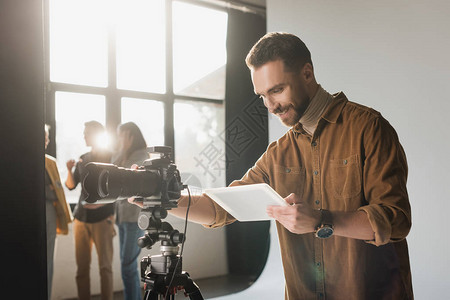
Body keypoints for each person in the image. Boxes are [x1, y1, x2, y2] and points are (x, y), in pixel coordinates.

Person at [134, 32, 413, 299]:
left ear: (307, 73)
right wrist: (160, 196)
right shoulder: (278, 154)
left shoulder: (370, 128)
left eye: (277, 90)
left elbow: (396, 219)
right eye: (262, 96)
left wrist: (320, 219)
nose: (271, 105)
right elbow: (220, 208)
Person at [65, 121, 115, 300]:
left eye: (86, 133)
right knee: (82, 268)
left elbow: (116, 189)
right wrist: (69, 170)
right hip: (80, 218)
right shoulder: (83, 158)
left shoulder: (110, 157)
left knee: (105, 268)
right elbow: (71, 186)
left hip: (103, 219)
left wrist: (102, 206)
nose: (84, 136)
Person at [112, 122, 149, 300]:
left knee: (128, 265)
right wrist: (122, 150)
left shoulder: (142, 156)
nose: (119, 139)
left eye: (122, 135)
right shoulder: (123, 155)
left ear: (131, 136)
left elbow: (125, 179)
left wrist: (124, 152)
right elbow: (110, 173)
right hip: (122, 218)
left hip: (135, 218)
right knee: (126, 265)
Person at [44, 124, 73, 299]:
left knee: (48, 262)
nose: (47, 141)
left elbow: (57, 190)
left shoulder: (50, 162)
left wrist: (49, 190)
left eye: (47, 137)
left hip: (49, 213)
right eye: (45, 137)